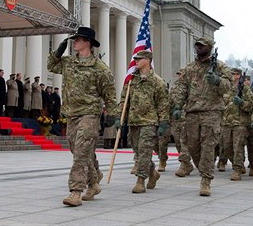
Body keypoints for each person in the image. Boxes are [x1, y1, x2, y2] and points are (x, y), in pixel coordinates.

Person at [47, 26, 116, 207]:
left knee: (80, 153)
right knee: (77, 150)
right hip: (72, 113)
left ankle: (76, 191)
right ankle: (93, 182)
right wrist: (58, 51)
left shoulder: (99, 68)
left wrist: (112, 114)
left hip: (89, 114)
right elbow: (52, 66)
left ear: (88, 43)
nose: (74, 42)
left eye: (77, 40)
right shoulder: (69, 62)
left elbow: (109, 94)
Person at [169, 37, 231, 196]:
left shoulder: (220, 67)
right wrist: (177, 106)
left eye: (202, 46)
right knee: (193, 147)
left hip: (212, 112)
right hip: (192, 112)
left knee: (208, 147)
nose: (198, 48)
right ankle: (201, 168)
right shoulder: (190, 68)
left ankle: (206, 180)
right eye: (197, 46)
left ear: (210, 47)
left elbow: (228, 87)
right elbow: (182, 88)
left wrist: (217, 81)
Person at [118, 50, 169, 193]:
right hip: (134, 122)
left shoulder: (157, 82)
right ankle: (153, 173)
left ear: (147, 60)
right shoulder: (132, 81)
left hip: (149, 122)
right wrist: (119, 116)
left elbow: (163, 104)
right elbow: (124, 100)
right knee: (139, 152)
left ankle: (140, 180)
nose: (136, 61)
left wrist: (163, 123)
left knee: (145, 151)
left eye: (139, 59)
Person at [221, 68, 253, 181]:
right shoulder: (225, 88)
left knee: (238, 146)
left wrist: (242, 103)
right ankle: (237, 163)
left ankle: (237, 170)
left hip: (240, 122)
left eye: (233, 74)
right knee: (227, 147)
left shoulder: (245, 89)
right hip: (226, 122)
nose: (231, 76)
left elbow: (251, 105)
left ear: (238, 76)